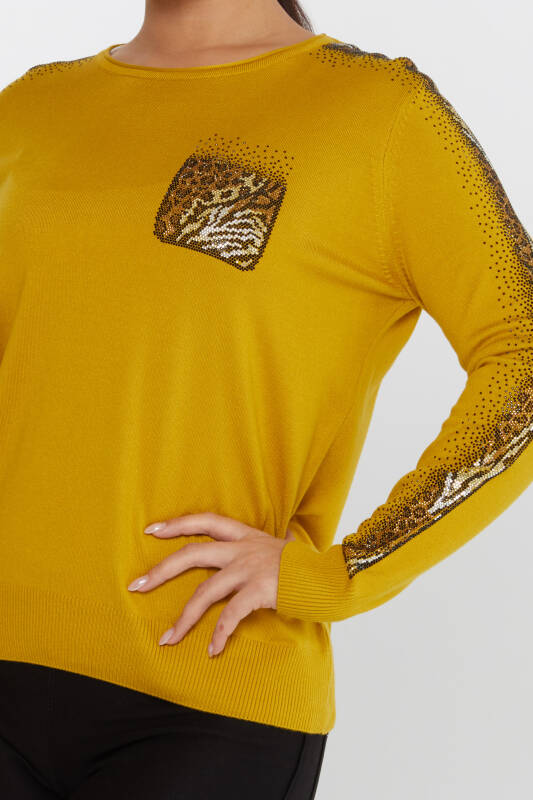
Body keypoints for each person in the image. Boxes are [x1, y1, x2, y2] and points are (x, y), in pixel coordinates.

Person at [0, 0, 531, 797]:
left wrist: (347, 570)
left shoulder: (376, 112)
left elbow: (522, 353)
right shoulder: (32, 107)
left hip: (206, 703)